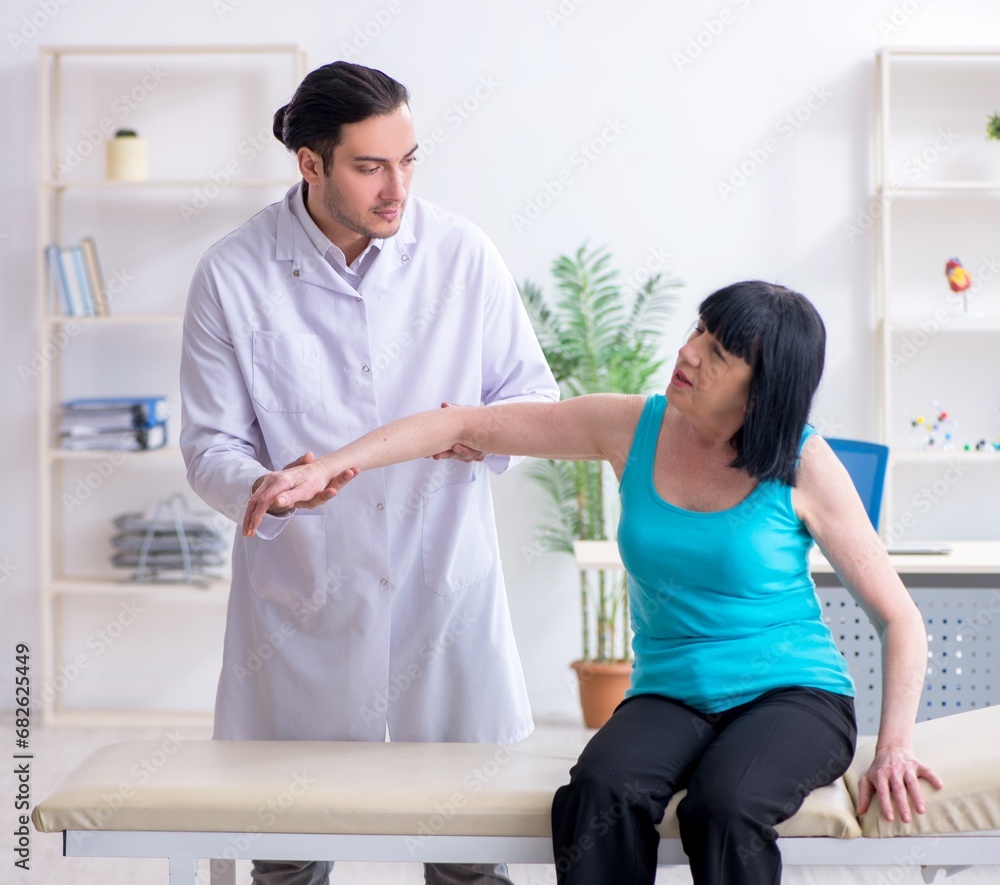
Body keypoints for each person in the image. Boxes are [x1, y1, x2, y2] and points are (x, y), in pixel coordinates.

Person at [243, 280, 944, 885]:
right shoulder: (630, 425)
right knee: (596, 793)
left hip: (793, 694)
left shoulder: (803, 461)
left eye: (719, 351)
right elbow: (461, 422)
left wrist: (895, 745)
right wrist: (329, 466)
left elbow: (900, 618)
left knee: (723, 806)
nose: (688, 352)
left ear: (762, 388)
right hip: (671, 692)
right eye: (698, 329)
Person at [179, 61, 559, 885]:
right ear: (310, 164)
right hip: (300, 599)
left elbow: (532, 397)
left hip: (442, 589)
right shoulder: (234, 272)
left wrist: (475, 434)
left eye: (410, 159)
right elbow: (209, 445)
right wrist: (264, 488)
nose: (399, 188)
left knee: (468, 856)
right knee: (285, 857)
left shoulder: (461, 255)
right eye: (371, 166)